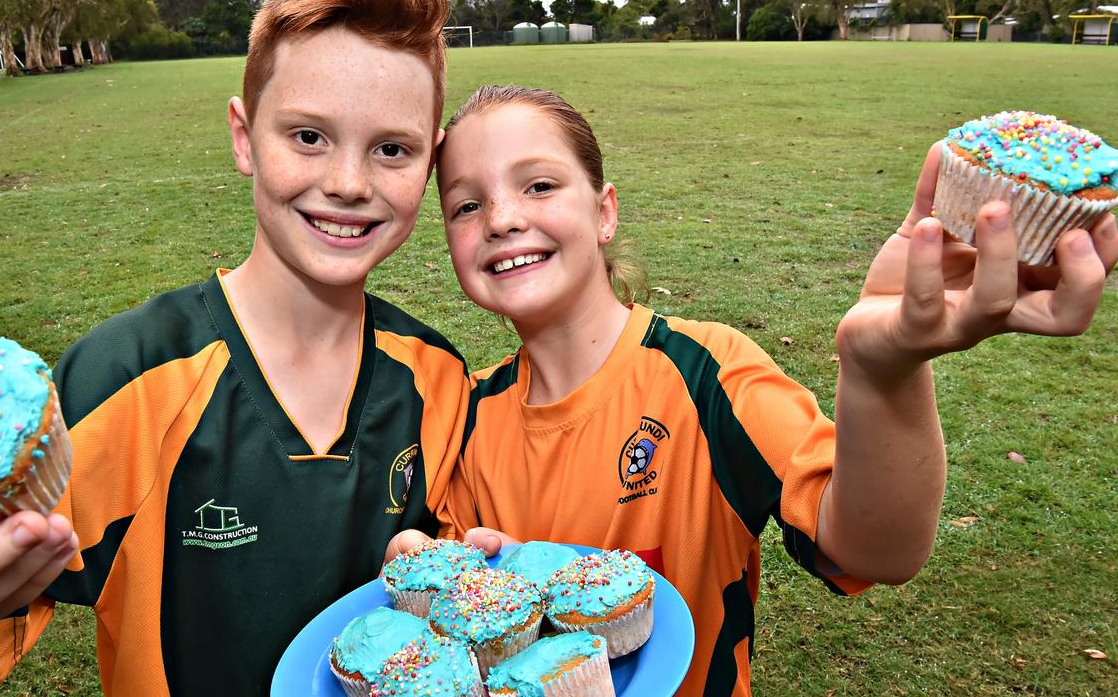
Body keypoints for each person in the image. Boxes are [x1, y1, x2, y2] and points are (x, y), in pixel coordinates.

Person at [0, 0, 469, 694]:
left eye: (392, 149)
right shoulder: (125, 374)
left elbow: (443, 589)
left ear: (431, 161)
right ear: (243, 136)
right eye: (308, 136)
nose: (349, 182)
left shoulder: (437, 376)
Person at [390, 85, 1118, 696]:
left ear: (605, 210)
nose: (504, 218)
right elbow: (467, 614)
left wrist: (883, 369)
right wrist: (427, 560)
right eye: (465, 206)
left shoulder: (708, 372)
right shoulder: (468, 410)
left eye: (539, 184)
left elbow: (877, 550)